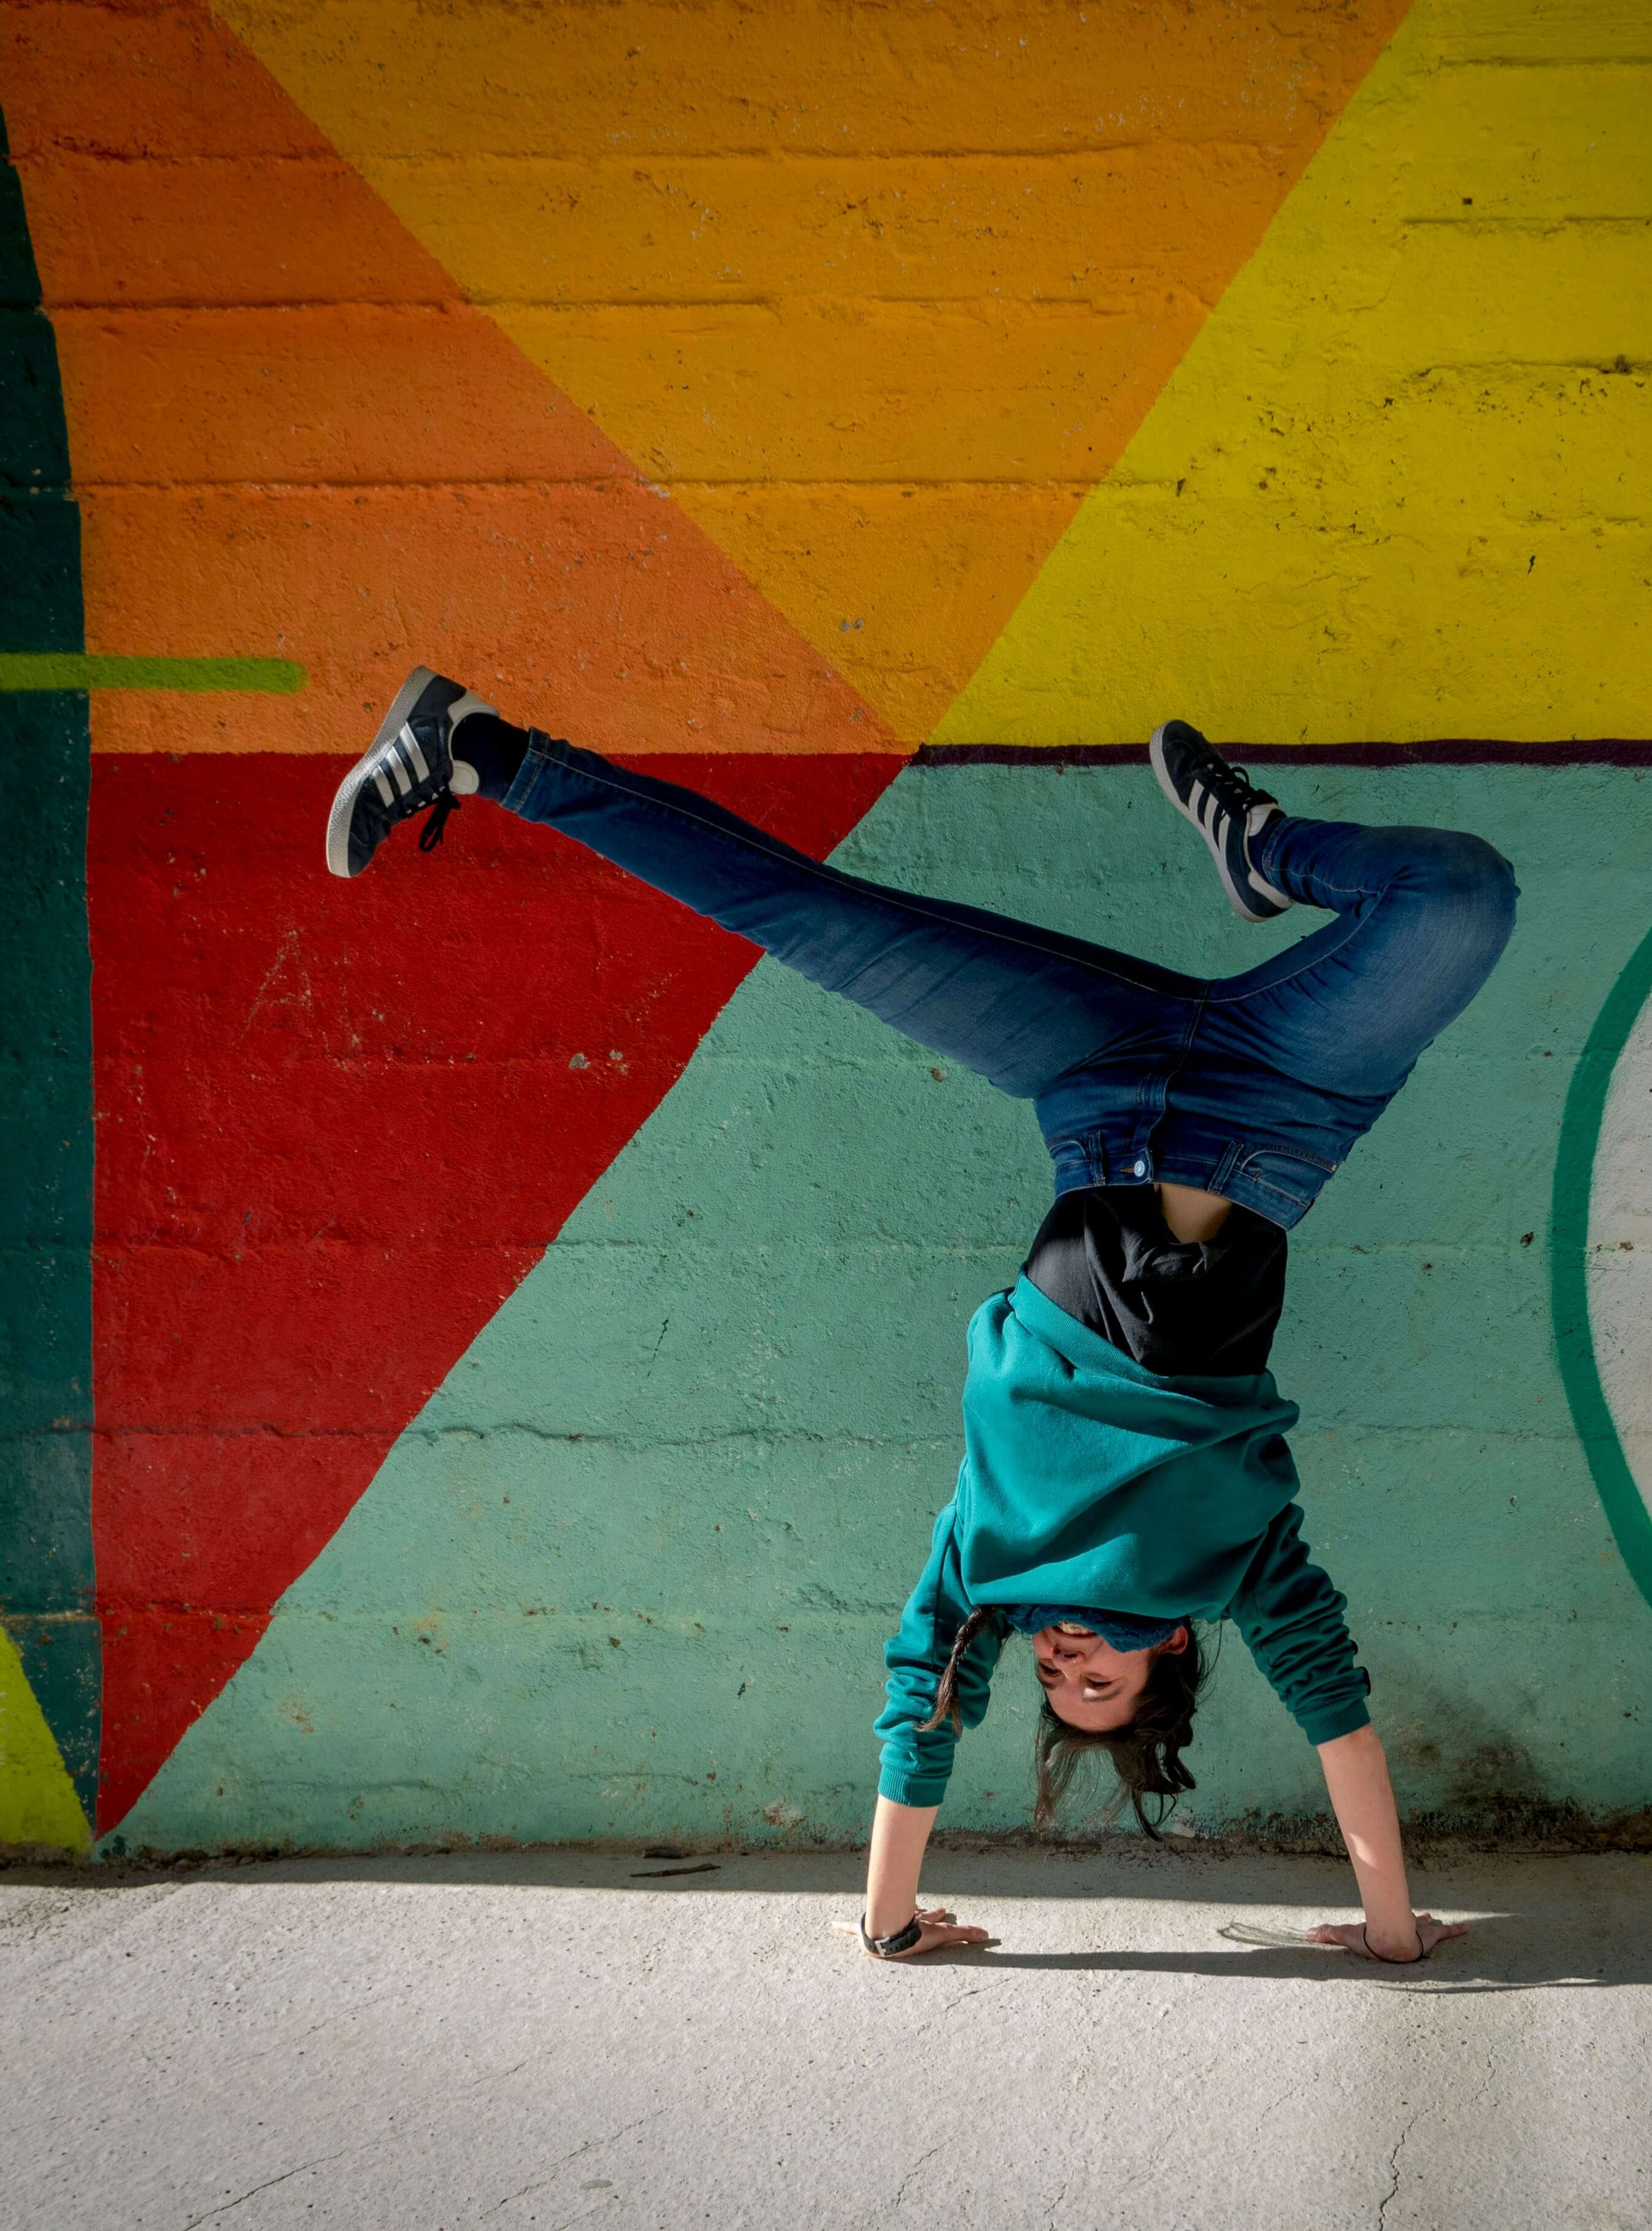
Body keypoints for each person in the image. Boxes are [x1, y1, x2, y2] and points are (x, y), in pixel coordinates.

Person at [328, 669, 1519, 1963]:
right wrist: (1394, 1934)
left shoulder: (984, 1565)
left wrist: (889, 1924)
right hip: (1286, 1111)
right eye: (1101, 1678)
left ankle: (479, 751)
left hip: (1096, 1087)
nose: (1068, 1659)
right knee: (1461, 897)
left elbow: (922, 1716)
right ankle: (1261, 845)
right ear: (1173, 1647)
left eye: (1057, 1683)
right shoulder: (1246, 1573)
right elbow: (1339, 1722)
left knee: (820, 921)